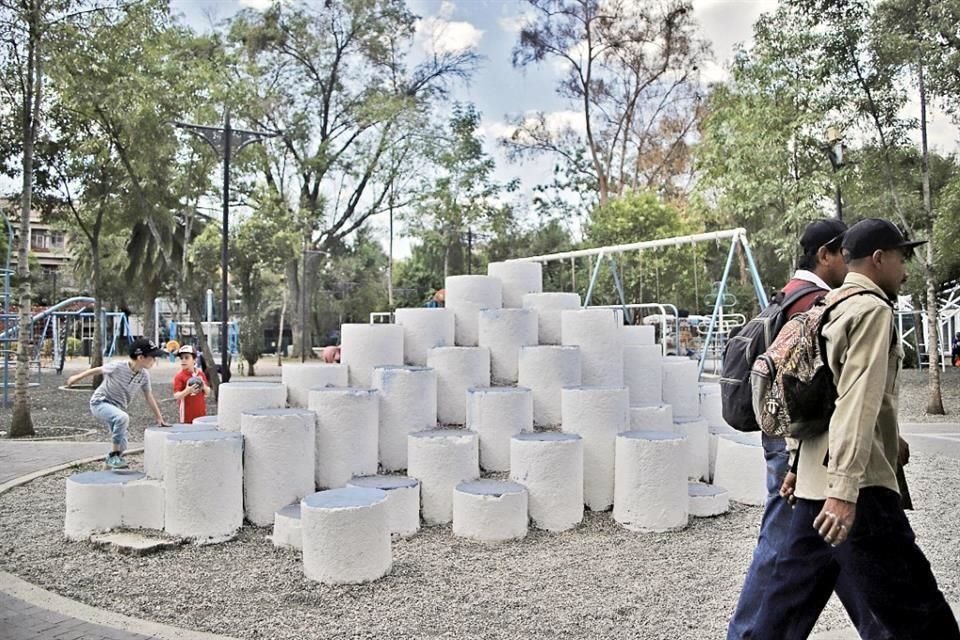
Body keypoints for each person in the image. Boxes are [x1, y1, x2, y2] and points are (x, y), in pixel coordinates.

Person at [747, 218, 960, 640]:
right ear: (879, 259)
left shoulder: (826, 307)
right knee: (922, 617)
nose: (906, 269)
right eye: (902, 257)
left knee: (781, 614)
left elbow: (813, 393)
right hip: (857, 495)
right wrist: (844, 491)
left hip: (810, 487)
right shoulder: (871, 309)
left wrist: (795, 464)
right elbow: (854, 402)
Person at [727, 218, 877, 639]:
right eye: (842, 252)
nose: (849, 261)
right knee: (787, 552)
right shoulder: (816, 303)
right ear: (825, 254)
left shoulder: (784, 296)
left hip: (785, 441)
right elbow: (828, 386)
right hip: (802, 445)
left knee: (828, 549)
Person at [66, 338, 170, 470]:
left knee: (123, 446)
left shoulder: (144, 376)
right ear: (140, 357)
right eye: (152, 357)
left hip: (117, 408)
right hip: (100, 403)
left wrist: (159, 418)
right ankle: (114, 456)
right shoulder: (118, 366)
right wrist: (76, 378)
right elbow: (96, 370)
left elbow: (149, 396)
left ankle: (105, 471)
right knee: (122, 418)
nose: (155, 361)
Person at [172, 345, 210, 424]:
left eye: (186, 357)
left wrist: (203, 385)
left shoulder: (200, 374)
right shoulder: (179, 376)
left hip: (201, 413)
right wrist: (187, 391)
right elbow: (176, 395)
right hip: (187, 415)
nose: (183, 360)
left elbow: (208, 392)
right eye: (181, 358)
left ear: (194, 360)